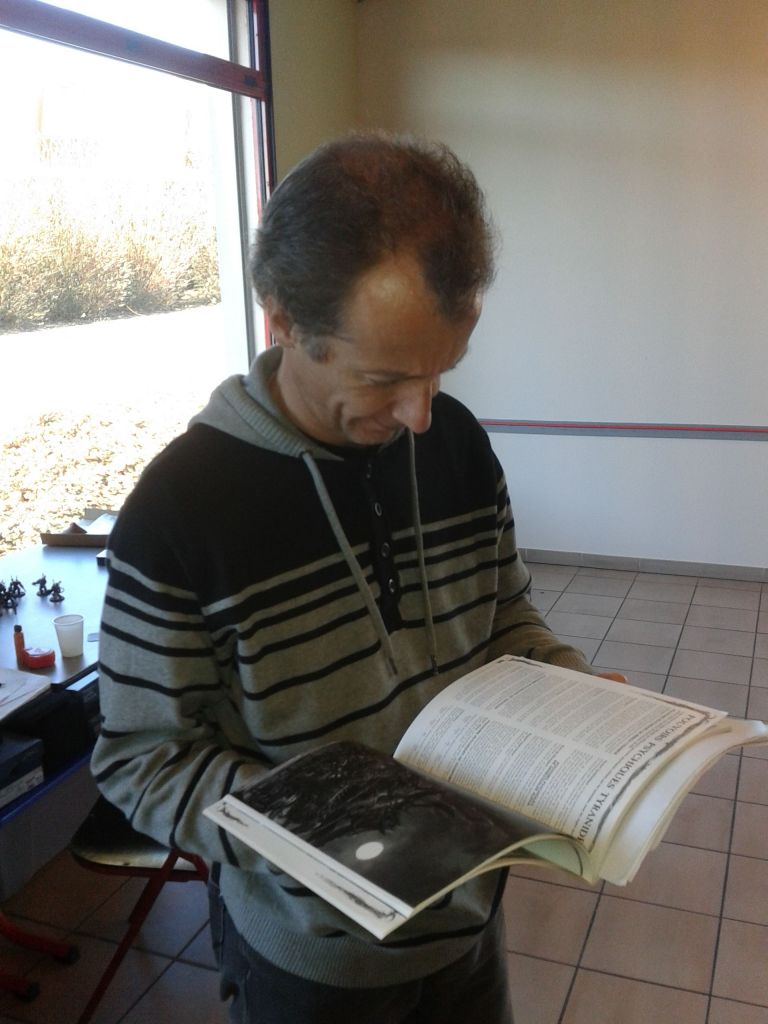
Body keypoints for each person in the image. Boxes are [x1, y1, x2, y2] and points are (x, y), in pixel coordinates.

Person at [91, 132, 613, 1024]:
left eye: (441, 371)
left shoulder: (456, 443)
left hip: (469, 919)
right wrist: (316, 835)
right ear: (283, 320)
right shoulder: (182, 511)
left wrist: (574, 694)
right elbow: (141, 759)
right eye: (385, 379)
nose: (421, 414)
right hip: (311, 961)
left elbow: (505, 617)